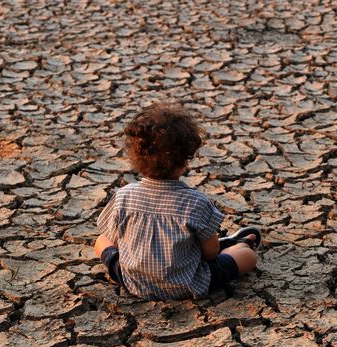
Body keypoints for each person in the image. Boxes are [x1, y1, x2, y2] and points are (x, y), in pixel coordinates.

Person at [94, 102, 260, 300]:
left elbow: (114, 240)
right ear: (184, 160)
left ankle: (230, 244)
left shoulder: (124, 196)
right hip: (186, 284)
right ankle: (236, 244)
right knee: (247, 255)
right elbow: (210, 253)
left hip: (133, 282)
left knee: (101, 240)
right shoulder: (196, 202)